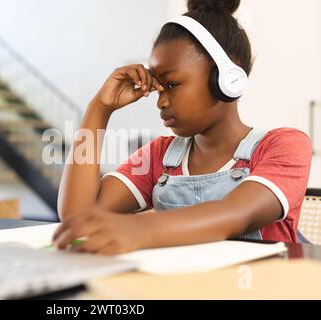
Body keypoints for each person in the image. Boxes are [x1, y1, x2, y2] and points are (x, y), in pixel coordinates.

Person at [53, 0, 313, 255]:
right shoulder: (160, 155)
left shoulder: (283, 146)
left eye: (172, 84)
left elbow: (234, 214)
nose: (161, 101)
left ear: (226, 79)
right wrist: (99, 109)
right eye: (158, 87)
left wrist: (138, 229)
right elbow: (79, 217)